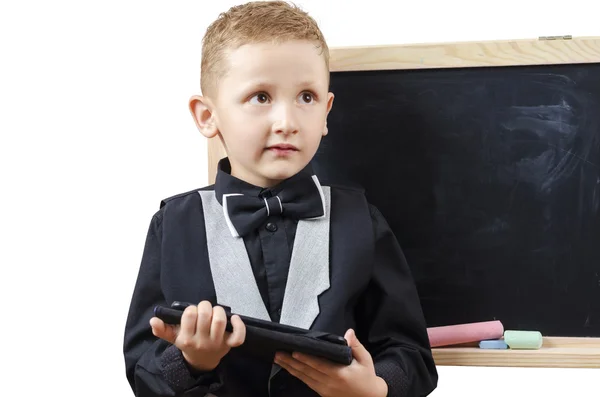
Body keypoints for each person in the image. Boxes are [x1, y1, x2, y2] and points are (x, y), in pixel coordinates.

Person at [123, 1, 438, 396]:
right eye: (260, 97)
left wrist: (374, 389)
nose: (287, 122)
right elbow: (141, 372)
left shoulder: (360, 220)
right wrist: (189, 361)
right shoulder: (174, 225)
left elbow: (412, 355)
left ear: (326, 113)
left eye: (306, 97)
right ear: (207, 116)